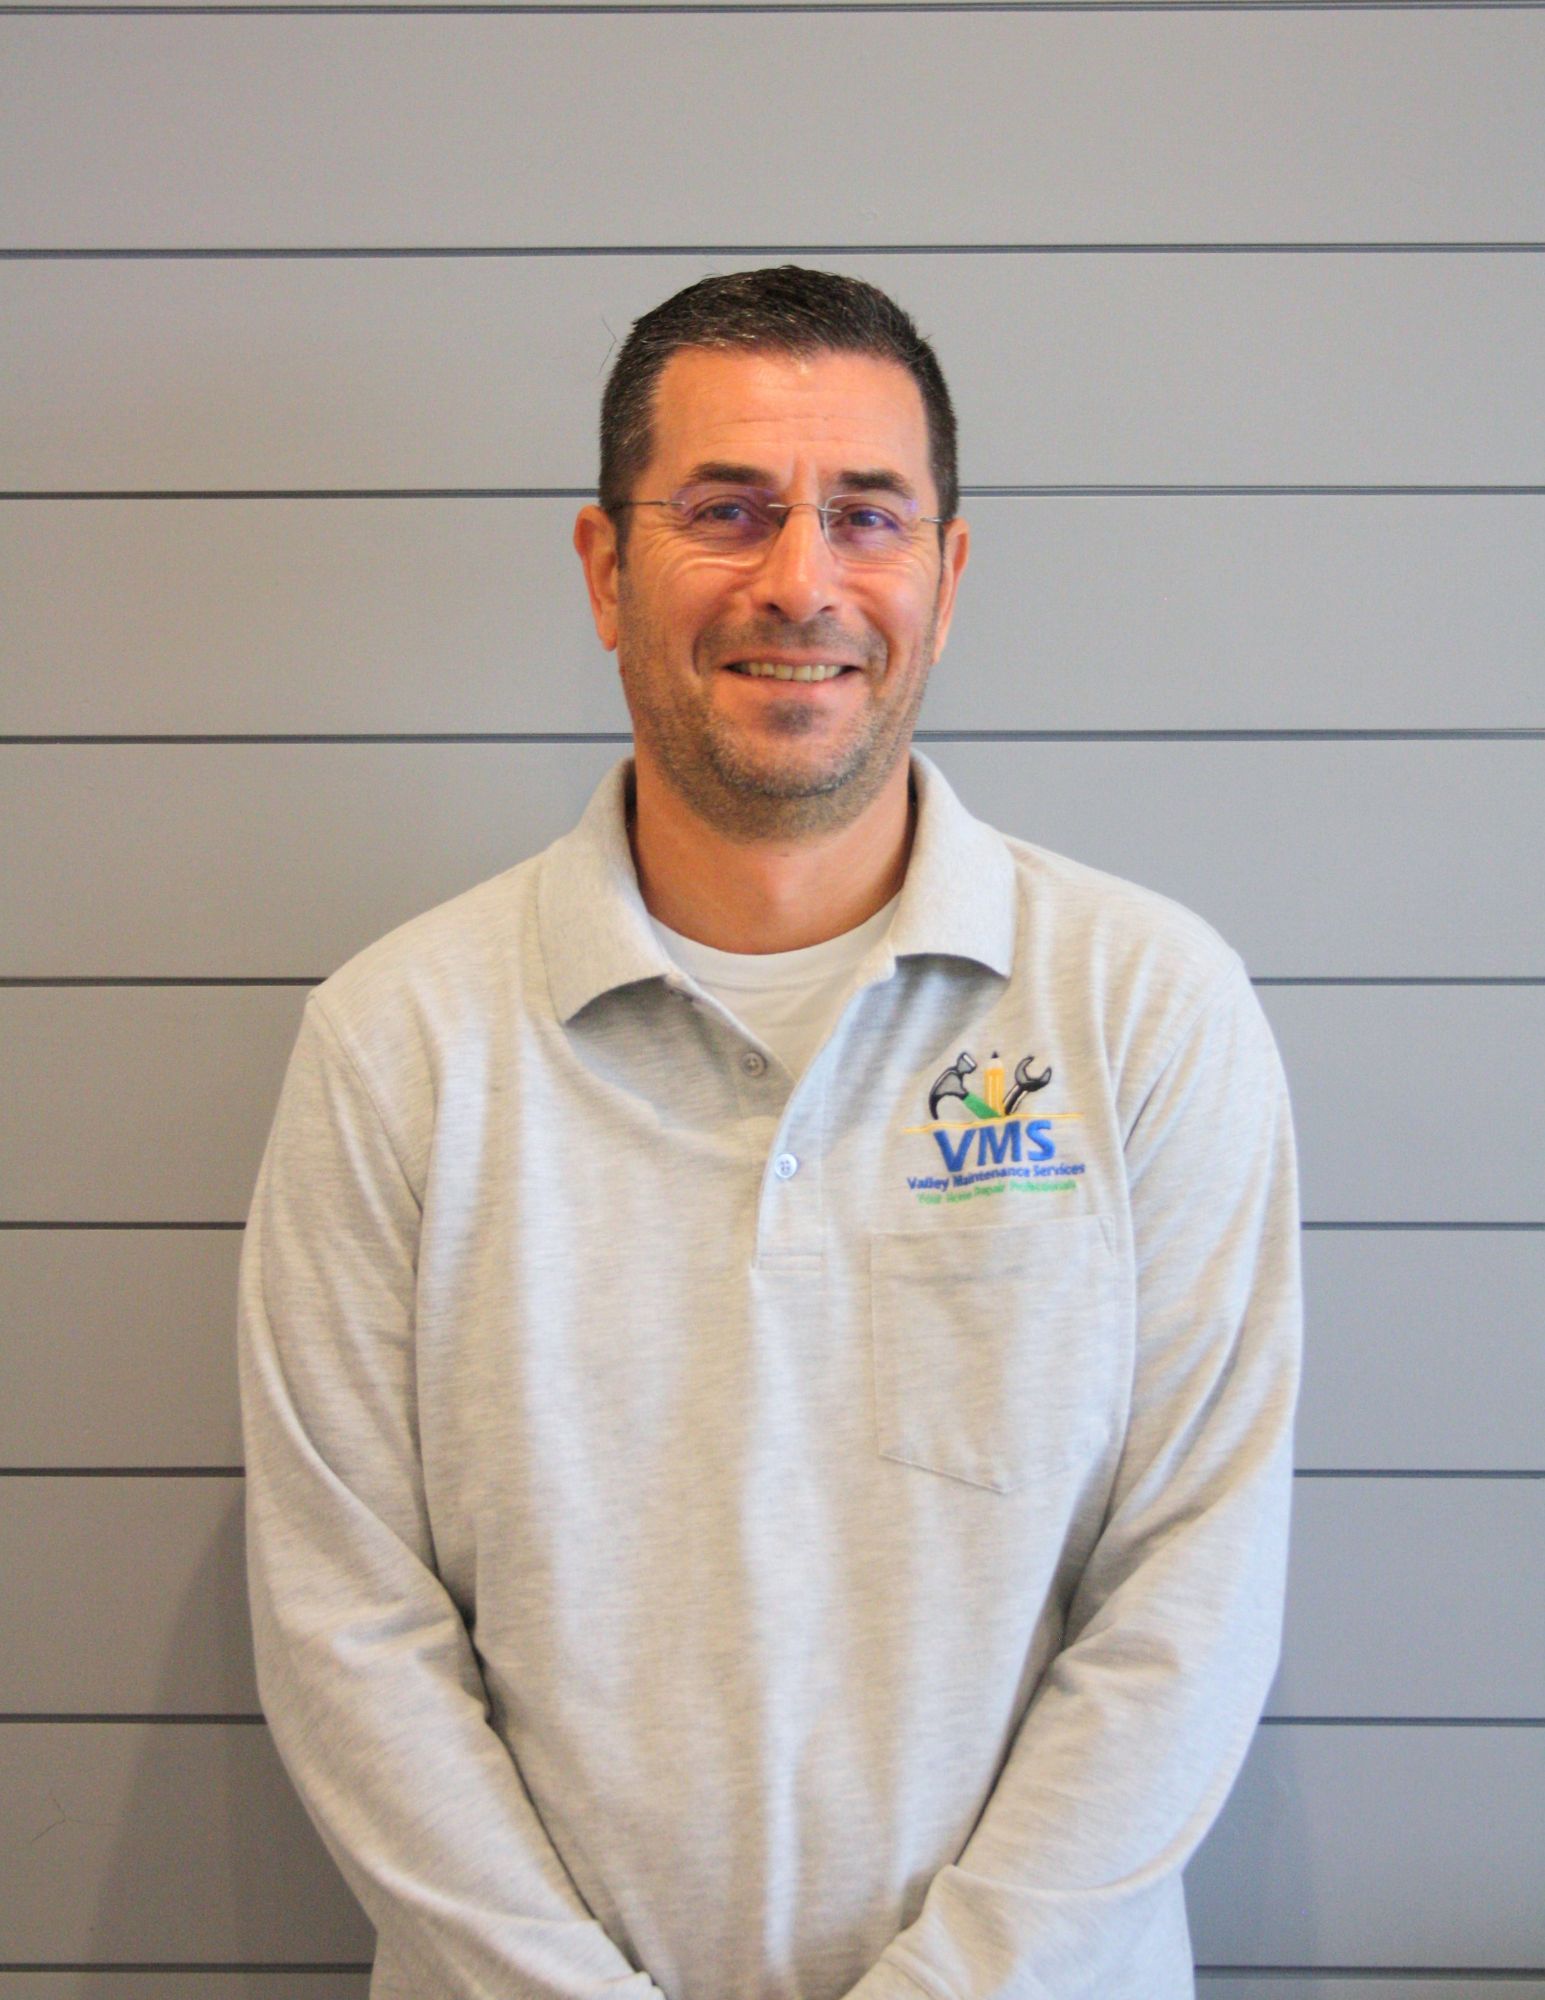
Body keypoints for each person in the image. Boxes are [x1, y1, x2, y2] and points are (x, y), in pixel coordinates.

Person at [238, 264, 1301, 2000]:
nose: (800, 579)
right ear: (604, 568)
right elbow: (346, 1624)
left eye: (865, 515)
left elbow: (1189, 1592)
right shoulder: (399, 1043)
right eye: (726, 510)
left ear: (944, 579)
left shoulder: (1147, 1010)